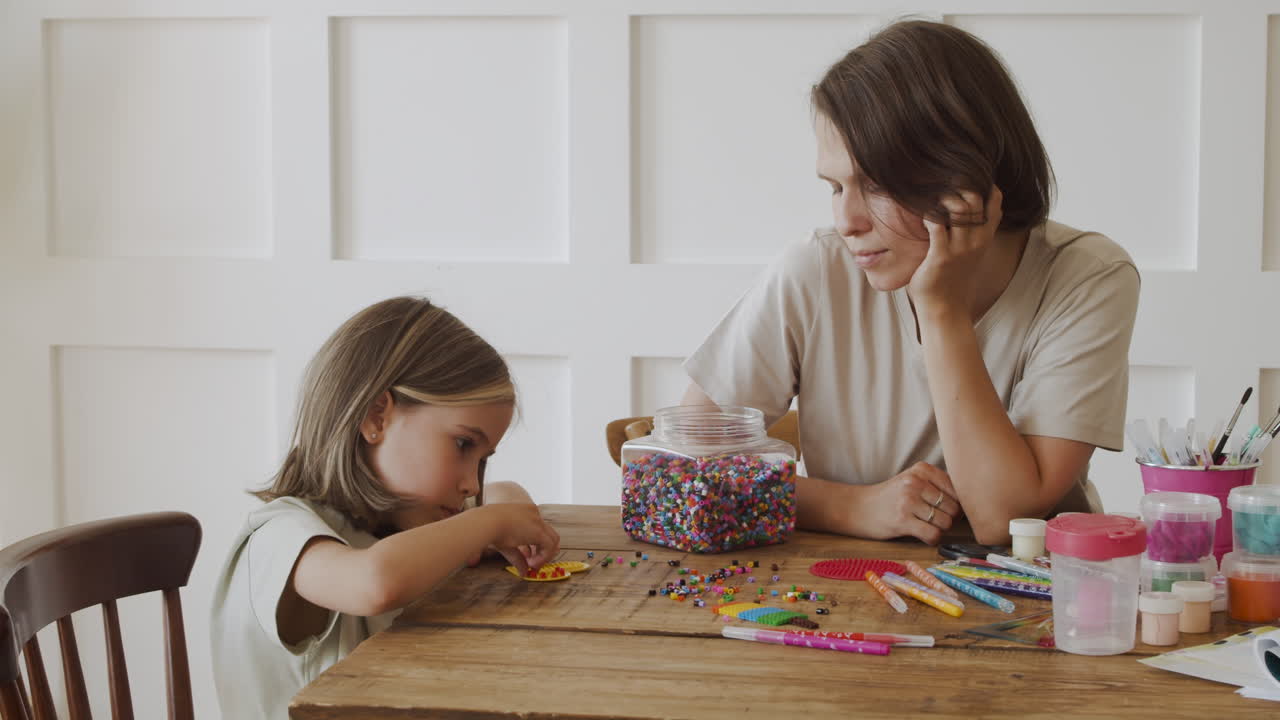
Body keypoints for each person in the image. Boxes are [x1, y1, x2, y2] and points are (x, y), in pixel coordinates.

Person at [681, 20, 1139, 546]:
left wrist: (942, 310)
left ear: (963, 178)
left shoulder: (1088, 277)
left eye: (875, 185)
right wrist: (850, 507)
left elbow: (1003, 518)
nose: (847, 220)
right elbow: (679, 465)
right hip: (845, 593)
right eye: (835, 186)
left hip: (1033, 600)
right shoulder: (814, 270)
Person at [211, 296, 560, 718]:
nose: (472, 483)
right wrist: (487, 524)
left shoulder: (397, 526)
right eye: (463, 445)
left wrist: (494, 519)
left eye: (483, 460)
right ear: (377, 416)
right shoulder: (279, 536)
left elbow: (507, 494)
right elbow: (374, 584)